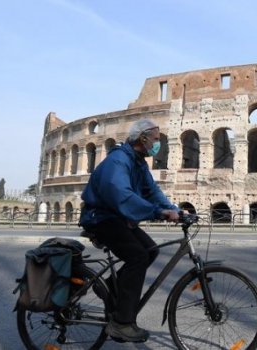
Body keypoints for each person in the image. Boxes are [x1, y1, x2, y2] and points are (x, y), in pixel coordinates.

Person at [79, 119, 179, 342]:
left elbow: (152, 191)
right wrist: (158, 213)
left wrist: (174, 210)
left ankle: (110, 287)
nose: (158, 144)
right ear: (142, 138)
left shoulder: (138, 162)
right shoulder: (119, 160)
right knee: (138, 257)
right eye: (155, 139)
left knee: (151, 250)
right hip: (101, 218)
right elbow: (122, 196)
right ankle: (122, 323)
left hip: (118, 217)